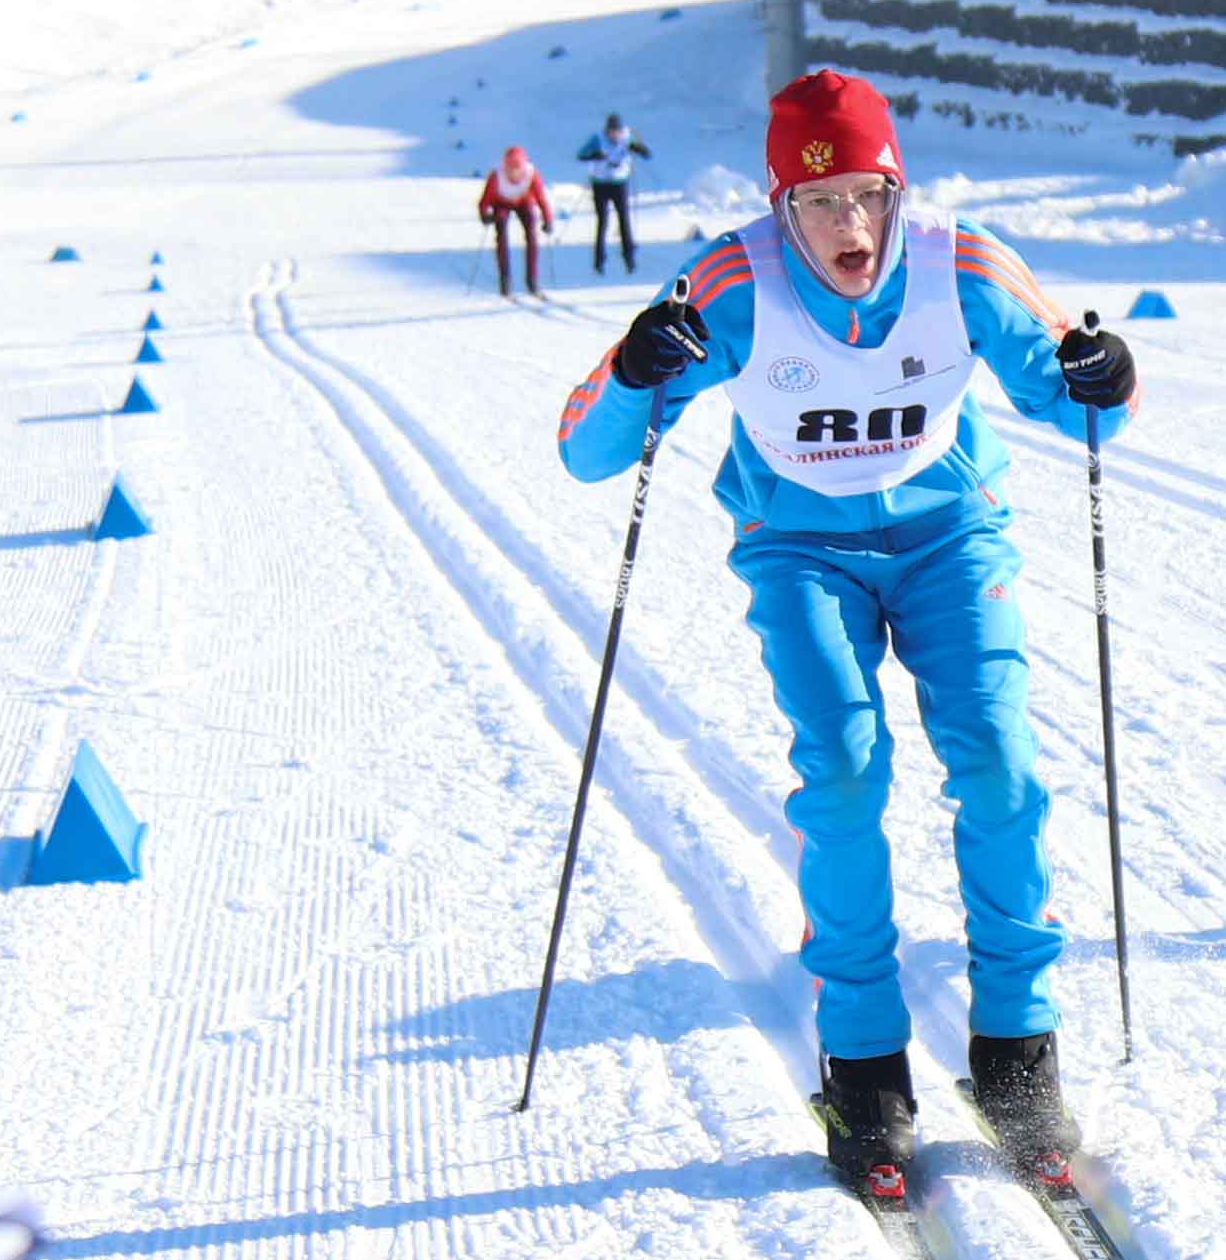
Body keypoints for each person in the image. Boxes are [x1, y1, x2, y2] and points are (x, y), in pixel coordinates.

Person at [554, 70, 1136, 1187]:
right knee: (845, 777)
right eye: (817, 205)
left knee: (1002, 770)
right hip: (800, 549)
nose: (848, 225)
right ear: (780, 206)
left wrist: (1100, 370)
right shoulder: (732, 285)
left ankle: (1018, 1054)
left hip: (950, 536)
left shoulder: (961, 267)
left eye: (867, 195)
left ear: (896, 187)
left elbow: (1079, 392)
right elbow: (586, 449)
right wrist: (636, 368)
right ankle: (866, 1069)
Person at [479, 138, 557, 299]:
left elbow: (541, 198)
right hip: (501, 202)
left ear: (523, 167)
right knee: (501, 232)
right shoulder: (496, 176)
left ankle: (532, 279)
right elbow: (484, 201)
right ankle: (505, 281)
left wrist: (547, 220)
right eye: (510, 169)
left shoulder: (532, 174)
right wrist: (485, 215)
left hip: (524, 200)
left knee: (531, 233)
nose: (514, 174)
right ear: (505, 167)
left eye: (517, 169)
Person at [577, 111, 651, 277]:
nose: (614, 135)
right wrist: (594, 155)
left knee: (624, 220)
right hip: (600, 184)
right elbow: (581, 155)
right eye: (611, 132)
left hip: (619, 183)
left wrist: (638, 149)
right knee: (602, 221)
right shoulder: (597, 139)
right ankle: (599, 261)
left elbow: (646, 153)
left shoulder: (627, 137)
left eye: (617, 131)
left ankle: (629, 258)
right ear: (607, 130)